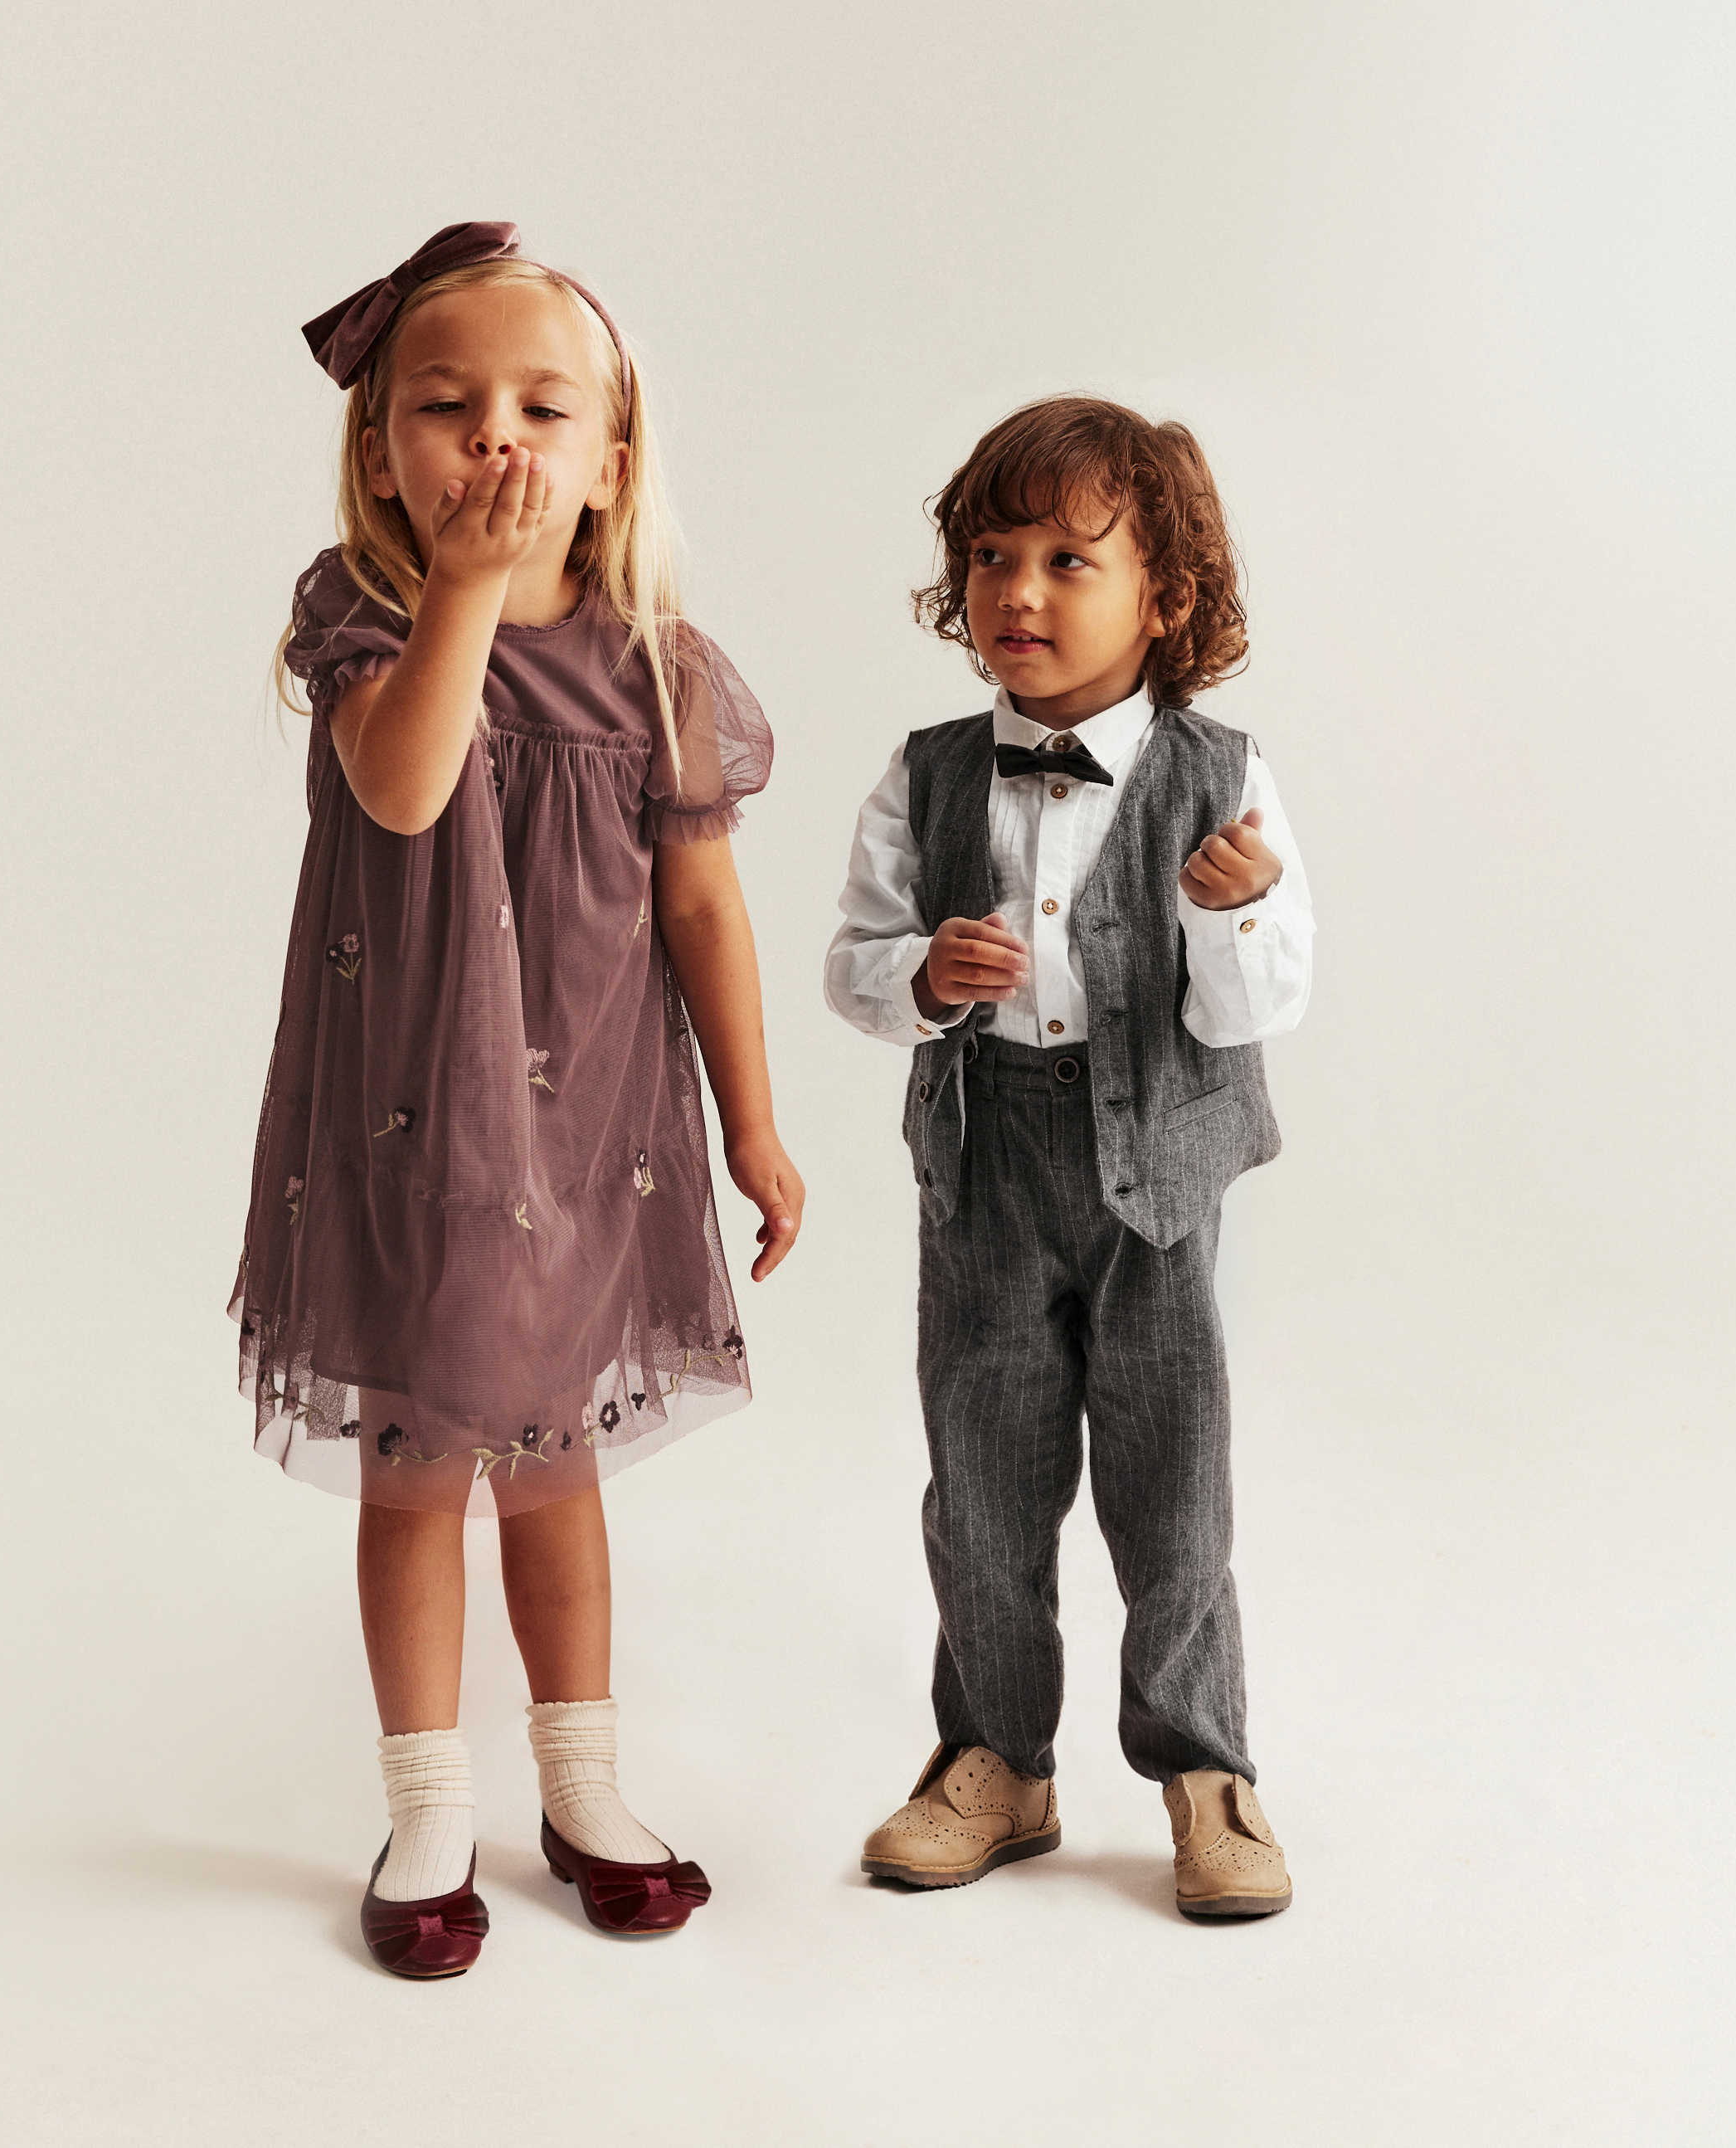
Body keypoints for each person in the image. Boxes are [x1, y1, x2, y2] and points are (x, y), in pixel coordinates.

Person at [238, 222, 802, 1977]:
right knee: (417, 1466)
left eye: (543, 407)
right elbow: (405, 792)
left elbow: (703, 909)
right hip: (413, 1125)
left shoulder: (661, 663)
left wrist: (753, 1126)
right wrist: (469, 590)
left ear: (609, 459)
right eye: (447, 405)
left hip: (586, 1134)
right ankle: (425, 1800)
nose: (498, 439)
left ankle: (583, 1783)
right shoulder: (370, 621)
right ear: (380, 453)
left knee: (554, 1468)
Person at [824, 396, 1312, 1919]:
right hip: (980, 1175)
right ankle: (994, 1760)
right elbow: (849, 964)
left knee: (1172, 1493)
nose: (1017, 591)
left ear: (1162, 599)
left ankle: (1201, 1768)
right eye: (989, 554)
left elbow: (1260, 1005)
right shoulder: (926, 773)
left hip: (1151, 1186)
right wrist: (919, 976)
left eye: (1065, 559)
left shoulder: (1219, 775)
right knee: (978, 1480)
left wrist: (1228, 913)